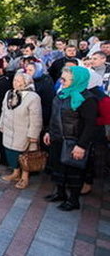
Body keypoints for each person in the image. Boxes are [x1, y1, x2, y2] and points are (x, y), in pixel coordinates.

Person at [43, 66, 100, 211]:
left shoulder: (88, 99)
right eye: (61, 78)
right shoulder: (62, 93)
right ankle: (60, 193)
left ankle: (73, 200)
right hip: (58, 138)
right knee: (58, 167)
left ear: (77, 80)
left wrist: (81, 145)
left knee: (74, 171)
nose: (61, 82)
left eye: (65, 79)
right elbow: (54, 114)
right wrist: (49, 131)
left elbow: (89, 125)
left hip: (73, 141)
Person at [0, 72, 43, 189]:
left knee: (25, 156)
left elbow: (36, 118)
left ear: (26, 83)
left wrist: (33, 134)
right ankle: (15, 173)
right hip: (9, 129)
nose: (15, 83)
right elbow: (4, 110)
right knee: (11, 152)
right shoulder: (9, 93)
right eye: (14, 80)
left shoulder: (33, 97)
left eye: (18, 81)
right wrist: (1, 124)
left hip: (24, 131)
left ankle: (24, 177)